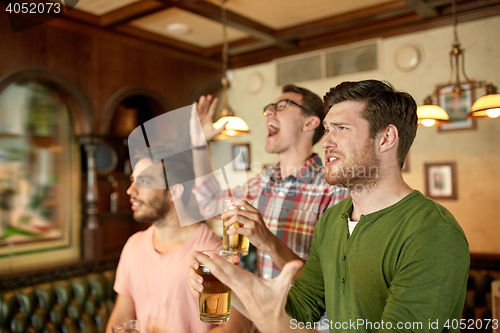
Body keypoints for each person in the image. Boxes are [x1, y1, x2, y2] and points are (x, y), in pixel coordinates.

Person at [189, 80, 470, 332]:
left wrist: (279, 326)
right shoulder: (335, 219)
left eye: (341, 129)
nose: (327, 143)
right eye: (328, 130)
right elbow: (301, 311)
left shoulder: (433, 233)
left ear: (386, 139)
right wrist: (226, 281)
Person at [191, 85, 350, 280]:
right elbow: (208, 204)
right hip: (265, 308)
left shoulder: (335, 188)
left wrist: (267, 240)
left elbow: (333, 277)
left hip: (310, 310)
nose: (268, 112)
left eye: (281, 106)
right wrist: (198, 146)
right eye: (268, 108)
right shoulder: (264, 181)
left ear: (309, 123)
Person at [106, 147, 251, 333]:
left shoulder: (213, 252)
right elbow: (120, 317)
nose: (130, 190)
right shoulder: (133, 245)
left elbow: (238, 327)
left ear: (175, 191)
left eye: (144, 181)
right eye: (133, 181)